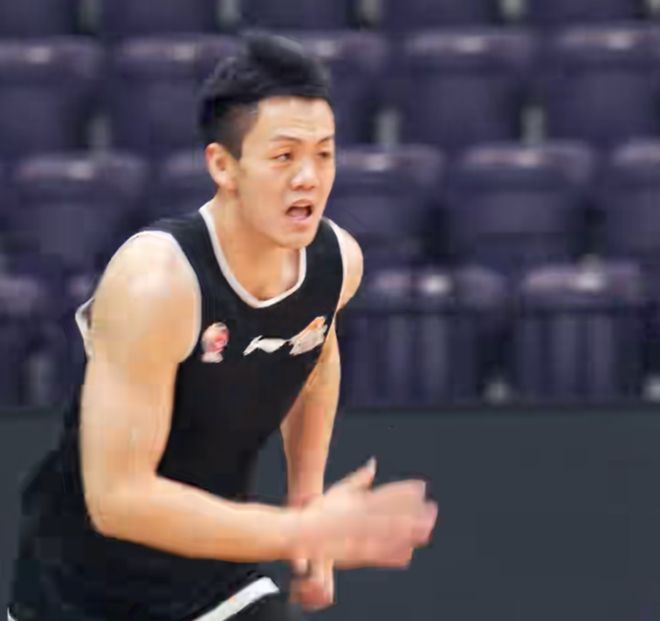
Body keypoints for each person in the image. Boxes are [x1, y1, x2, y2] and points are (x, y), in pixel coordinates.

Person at [6, 33, 438, 621]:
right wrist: (300, 531)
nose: (309, 177)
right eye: (284, 157)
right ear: (223, 166)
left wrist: (305, 503)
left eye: (324, 154)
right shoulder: (157, 282)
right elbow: (118, 500)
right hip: (80, 593)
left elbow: (316, 350)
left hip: (216, 577)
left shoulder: (337, 263)